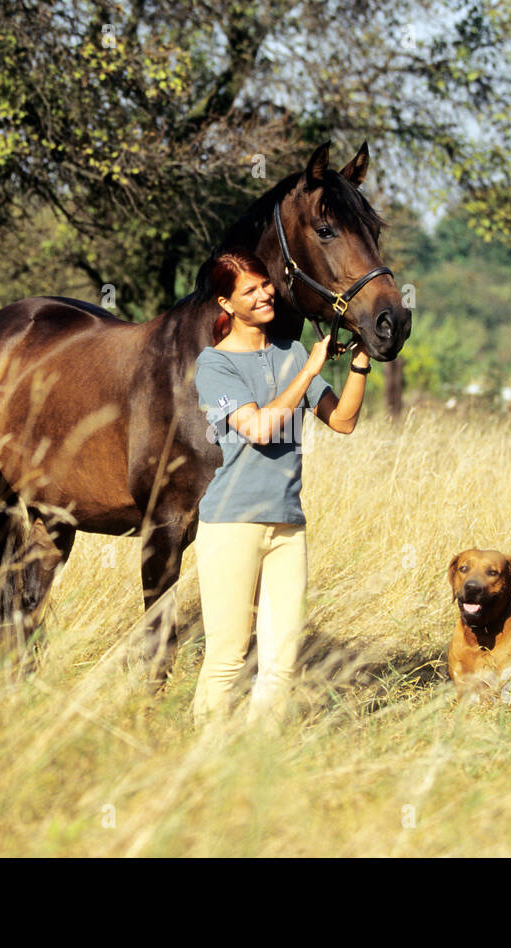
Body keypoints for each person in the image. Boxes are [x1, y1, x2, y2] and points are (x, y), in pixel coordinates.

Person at [191, 248, 371, 728]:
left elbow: (344, 421)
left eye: (265, 284)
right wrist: (310, 371)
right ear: (226, 305)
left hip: (288, 525)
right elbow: (259, 429)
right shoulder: (213, 366)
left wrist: (360, 365)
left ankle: (260, 763)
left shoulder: (290, 353)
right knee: (228, 658)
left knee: (281, 664)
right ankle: (203, 763)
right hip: (230, 524)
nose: (265, 293)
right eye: (249, 290)